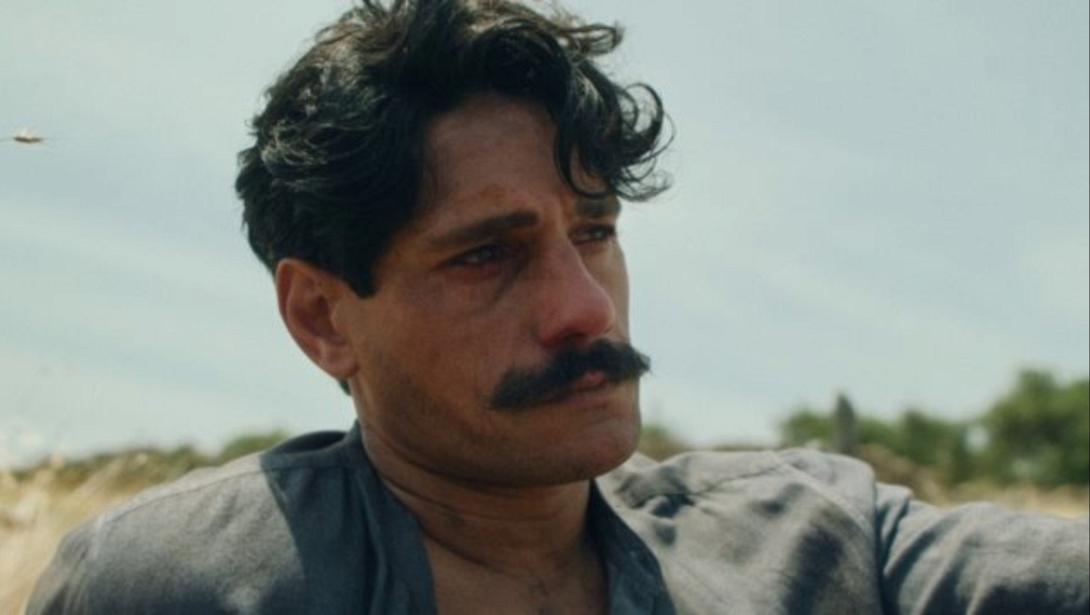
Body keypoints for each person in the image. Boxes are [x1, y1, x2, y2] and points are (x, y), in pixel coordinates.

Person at [29, 1, 1088, 613]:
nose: (585, 310)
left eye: (594, 233)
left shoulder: (821, 540)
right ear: (322, 317)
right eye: (486, 255)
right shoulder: (176, 585)